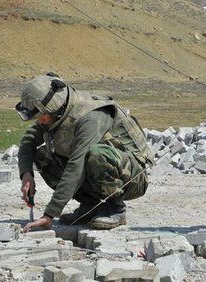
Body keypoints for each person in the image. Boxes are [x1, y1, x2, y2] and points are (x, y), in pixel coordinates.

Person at [15, 73, 152, 231]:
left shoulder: (89, 116)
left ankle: (115, 208)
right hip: (101, 169)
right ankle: (91, 206)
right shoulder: (55, 114)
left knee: (96, 155)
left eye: (42, 117)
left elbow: (76, 165)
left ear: (53, 108)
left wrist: (49, 215)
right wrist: (26, 174)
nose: (40, 121)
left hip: (132, 177)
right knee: (43, 157)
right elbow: (29, 140)